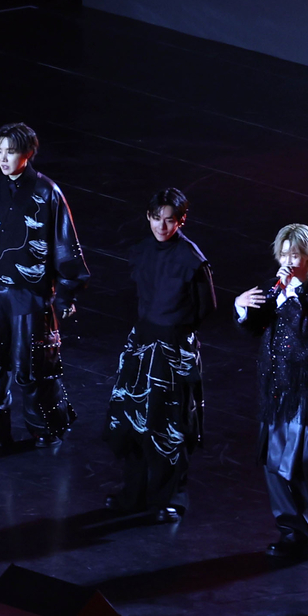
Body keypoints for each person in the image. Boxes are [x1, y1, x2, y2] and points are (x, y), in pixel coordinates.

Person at [0, 123, 89, 450]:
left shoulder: (47, 192)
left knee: (34, 367)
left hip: (31, 296)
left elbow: (66, 246)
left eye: (10, 152)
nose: (3, 158)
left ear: (27, 153)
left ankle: (46, 427)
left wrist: (66, 293)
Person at [234, 224, 308, 558]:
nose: (287, 261)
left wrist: (292, 294)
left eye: (294, 255)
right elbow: (255, 327)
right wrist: (241, 307)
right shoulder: (275, 287)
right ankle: (293, 532)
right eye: (284, 254)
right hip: (277, 386)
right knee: (274, 462)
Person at [104, 189, 216, 522]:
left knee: (171, 425)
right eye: (156, 218)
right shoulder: (141, 251)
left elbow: (206, 307)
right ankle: (133, 493)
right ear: (148, 217)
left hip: (174, 347)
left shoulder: (191, 259)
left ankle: (170, 498)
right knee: (132, 419)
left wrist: (176, 334)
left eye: (169, 220)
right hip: (142, 343)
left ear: (181, 220)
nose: (161, 226)